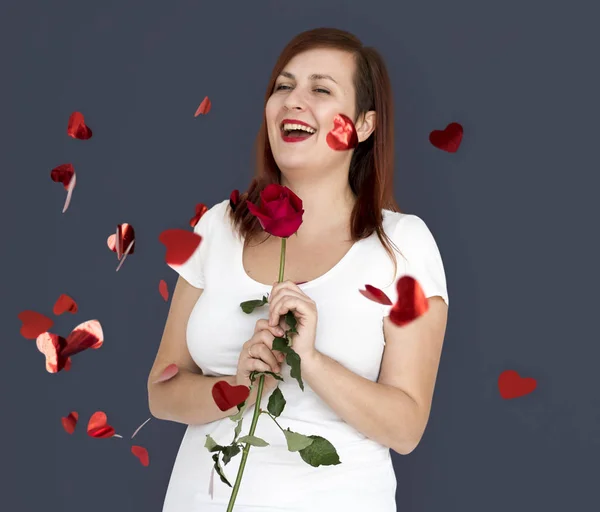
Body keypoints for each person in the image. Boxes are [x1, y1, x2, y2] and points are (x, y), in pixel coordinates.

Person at [148, 27, 449, 511]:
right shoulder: (217, 227)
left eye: (321, 89)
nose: (293, 101)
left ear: (365, 125)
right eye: (283, 86)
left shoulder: (402, 245)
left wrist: (311, 360)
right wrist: (239, 389)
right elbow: (161, 393)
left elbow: (406, 428)